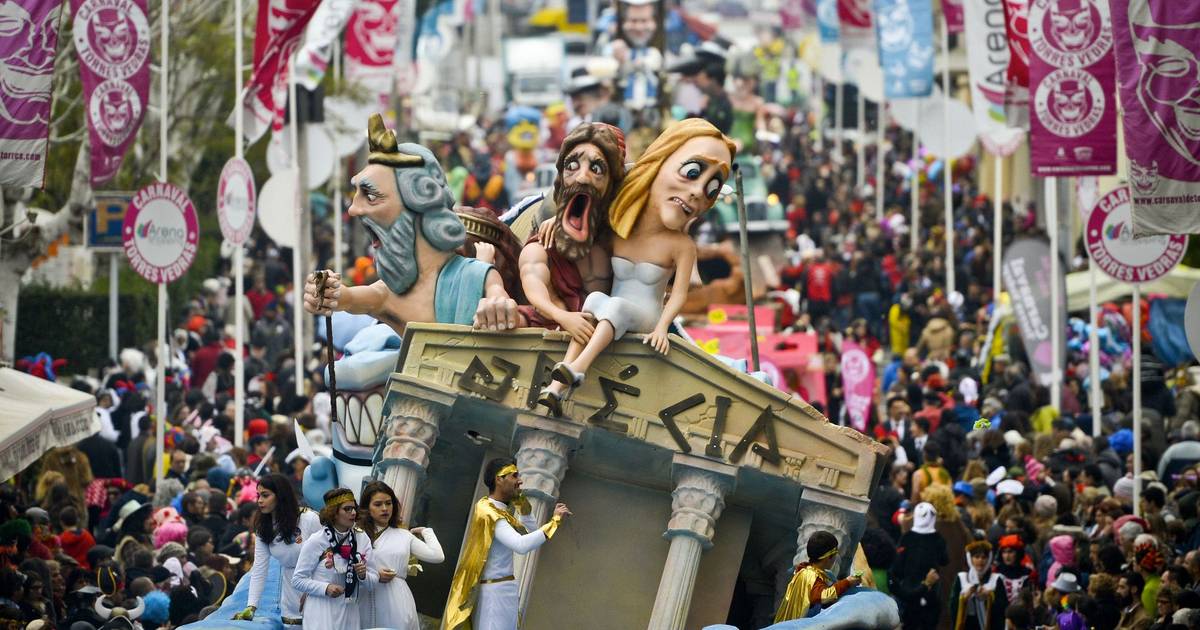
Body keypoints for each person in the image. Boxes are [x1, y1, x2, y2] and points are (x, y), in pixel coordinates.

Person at [537, 118, 736, 414]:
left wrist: (662, 327)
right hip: (612, 309)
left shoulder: (681, 246)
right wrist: (560, 218)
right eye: (692, 172)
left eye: (711, 188)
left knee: (615, 307)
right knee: (594, 301)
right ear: (660, 160)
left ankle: (578, 369)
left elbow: (681, 292)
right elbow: (586, 208)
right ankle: (557, 384)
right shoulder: (620, 223)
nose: (697, 192)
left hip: (645, 316)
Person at [443, 458, 572, 630]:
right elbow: (521, 545)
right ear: (499, 479)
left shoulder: (500, 510)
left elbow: (531, 534)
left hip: (504, 589)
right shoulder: (488, 510)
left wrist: (522, 505)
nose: (520, 480)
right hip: (494, 592)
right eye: (514, 475)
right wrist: (554, 521)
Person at [232, 473, 322, 627]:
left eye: (265, 495)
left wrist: (314, 589)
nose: (260, 500)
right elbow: (259, 568)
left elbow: (330, 555)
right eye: (258, 495)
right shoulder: (263, 527)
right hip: (291, 593)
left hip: (320, 587)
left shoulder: (310, 519)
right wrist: (251, 606)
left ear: (280, 495)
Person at [358, 481, 444, 630]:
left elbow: (437, 556)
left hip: (395, 600)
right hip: (364, 595)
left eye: (388, 503)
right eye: (378, 504)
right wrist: (373, 573)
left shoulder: (404, 535)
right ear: (367, 508)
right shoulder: (356, 534)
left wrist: (426, 532)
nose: (385, 509)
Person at [291, 487, 377, 630]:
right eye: (347, 509)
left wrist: (363, 575)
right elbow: (298, 580)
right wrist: (325, 588)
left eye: (354, 508)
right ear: (334, 513)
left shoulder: (361, 538)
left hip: (349, 611)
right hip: (321, 610)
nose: (353, 513)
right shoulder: (317, 540)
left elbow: (373, 582)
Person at [774, 530, 861, 621]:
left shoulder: (810, 571)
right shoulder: (811, 576)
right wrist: (847, 582)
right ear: (828, 558)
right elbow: (823, 596)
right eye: (835, 555)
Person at [891, 502, 949, 628]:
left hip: (908, 590)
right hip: (930, 592)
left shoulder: (907, 537)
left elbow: (898, 566)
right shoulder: (937, 538)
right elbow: (945, 560)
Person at [950, 540, 1008, 630]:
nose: (980, 560)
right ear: (970, 558)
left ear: (989, 559)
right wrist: (964, 598)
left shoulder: (996, 579)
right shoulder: (962, 578)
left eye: (984, 557)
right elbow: (952, 606)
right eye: (976, 557)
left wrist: (989, 596)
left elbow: (1003, 606)